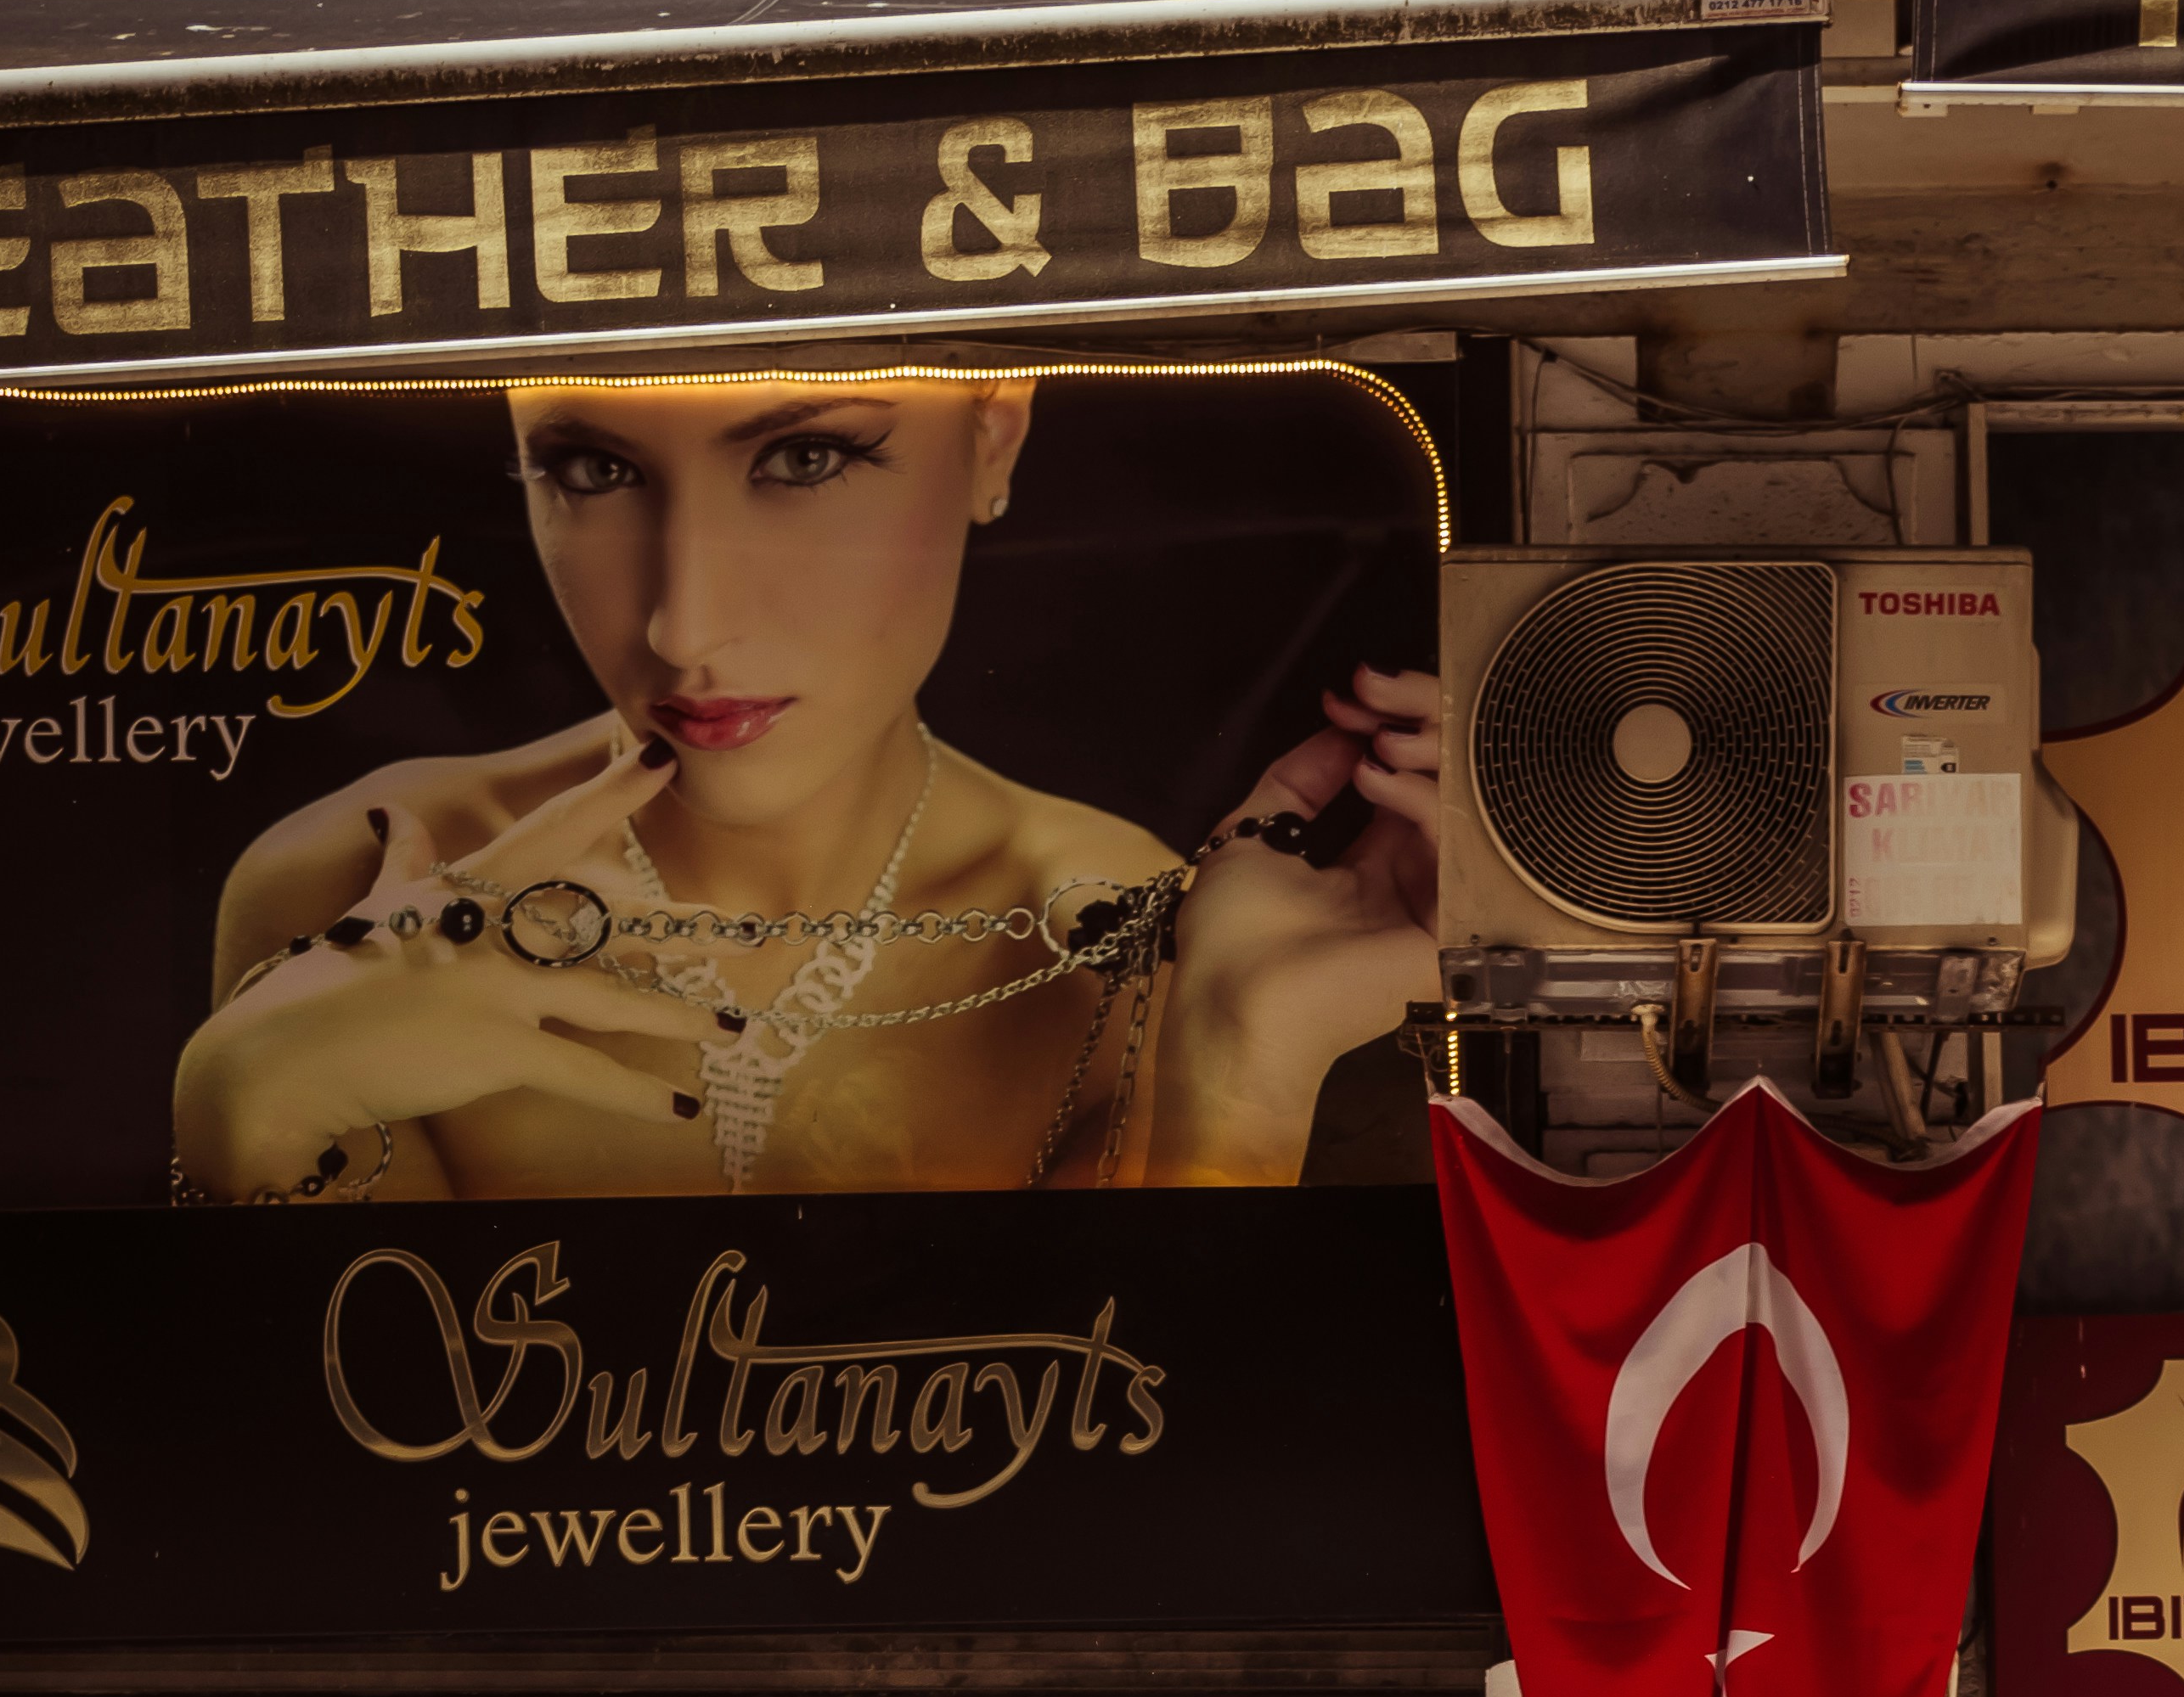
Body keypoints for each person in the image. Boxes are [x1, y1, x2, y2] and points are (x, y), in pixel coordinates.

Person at [172, 368, 1440, 1210]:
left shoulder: (1114, 946)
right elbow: (330, 1538)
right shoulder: (361, 882)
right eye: (593, 471)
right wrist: (247, 1106)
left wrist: (1243, 1057)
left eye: (805, 459)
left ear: (992, 435)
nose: (684, 625)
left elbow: (1143, 1525)